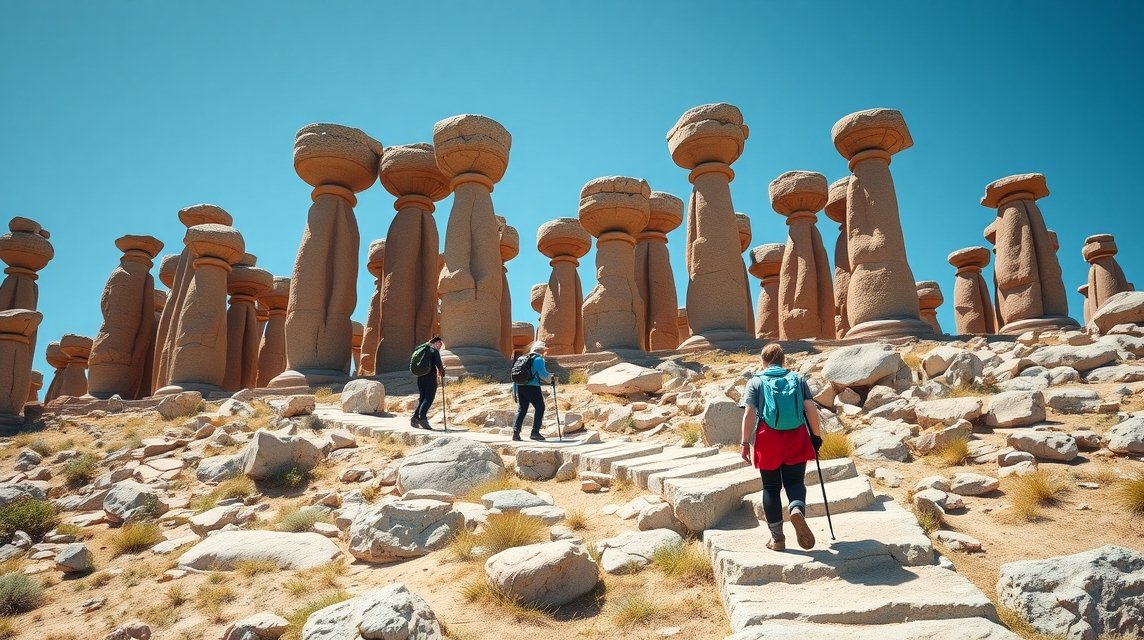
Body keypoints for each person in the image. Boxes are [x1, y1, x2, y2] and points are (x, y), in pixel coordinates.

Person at [739, 343, 824, 551]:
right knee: (795, 482)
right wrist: (816, 436)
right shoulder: (797, 378)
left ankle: (777, 540)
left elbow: (749, 413)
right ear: (783, 360)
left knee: (771, 487)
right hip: (796, 435)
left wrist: (743, 443)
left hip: (767, 438)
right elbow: (810, 407)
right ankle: (796, 508)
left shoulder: (756, 381)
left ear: (763, 361)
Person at [511, 341, 553, 442]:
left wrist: (514, 390)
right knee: (540, 408)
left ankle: (516, 434)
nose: (545, 352)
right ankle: (535, 433)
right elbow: (543, 374)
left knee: (522, 410)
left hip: (520, 386)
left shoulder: (522, 358)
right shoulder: (538, 359)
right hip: (532, 387)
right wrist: (551, 379)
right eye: (544, 350)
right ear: (541, 350)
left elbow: (516, 374)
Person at [412, 336, 444, 430]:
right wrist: (442, 373)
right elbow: (439, 365)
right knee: (429, 398)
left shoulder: (421, 350)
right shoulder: (434, 351)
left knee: (423, 399)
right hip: (430, 378)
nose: (440, 346)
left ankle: (415, 418)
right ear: (435, 343)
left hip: (420, 377)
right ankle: (423, 419)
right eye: (440, 344)